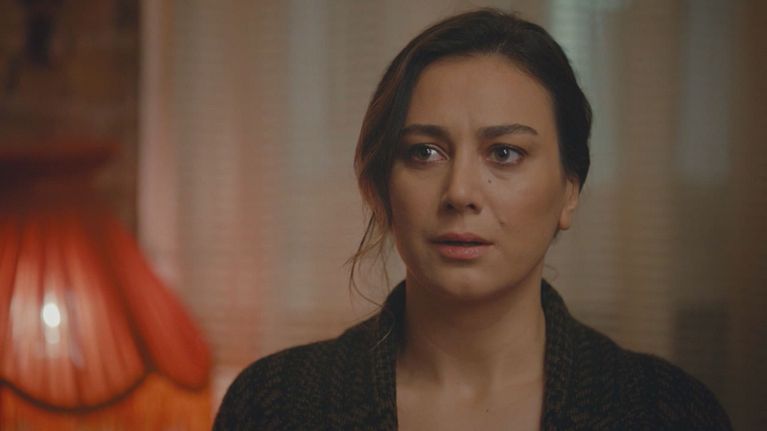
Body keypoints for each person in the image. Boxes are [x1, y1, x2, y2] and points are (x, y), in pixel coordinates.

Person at [213, 9, 731, 430]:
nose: (460, 192)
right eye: (424, 152)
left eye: (505, 153)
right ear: (382, 189)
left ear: (569, 192)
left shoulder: (669, 411)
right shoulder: (273, 405)